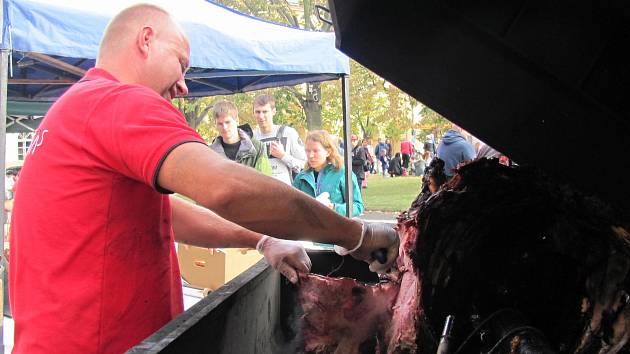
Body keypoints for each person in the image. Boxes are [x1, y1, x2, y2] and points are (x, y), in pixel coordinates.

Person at [8, 5, 399, 354]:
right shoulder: (119, 100)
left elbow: (167, 214)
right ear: (146, 40)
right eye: (181, 63)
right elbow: (227, 188)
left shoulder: (73, 108)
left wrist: (261, 240)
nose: (183, 86)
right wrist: (354, 235)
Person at [293, 130, 364, 217]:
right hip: (308, 229)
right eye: (307, 150)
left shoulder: (342, 174)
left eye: (315, 151)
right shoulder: (301, 177)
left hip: (335, 228)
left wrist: (333, 208)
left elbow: (357, 206)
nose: (310, 155)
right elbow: (292, 206)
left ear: (328, 152)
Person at [253, 94, 306, 185]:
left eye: (265, 111)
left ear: (274, 111)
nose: (261, 116)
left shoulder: (288, 133)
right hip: (261, 193)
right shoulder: (252, 137)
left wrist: (283, 156)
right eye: (258, 112)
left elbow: (305, 165)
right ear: (253, 113)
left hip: (285, 194)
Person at [209, 100, 271, 175]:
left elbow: (265, 180)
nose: (224, 127)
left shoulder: (258, 148)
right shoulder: (210, 153)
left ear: (237, 121)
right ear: (215, 124)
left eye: (228, 122)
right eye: (220, 124)